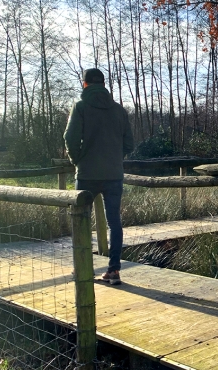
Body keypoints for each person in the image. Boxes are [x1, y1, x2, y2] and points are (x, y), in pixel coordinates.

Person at [64, 68, 134, 285]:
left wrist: (78, 161)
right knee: (115, 223)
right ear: (104, 85)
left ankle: (82, 269)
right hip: (114, 174)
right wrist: (114, 158)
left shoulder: (81, 107)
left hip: (87, 174)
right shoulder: (119, 111)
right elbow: (129, 144)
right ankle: (114, 271)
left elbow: (70, 138)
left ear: (84, 84)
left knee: (80, 221)